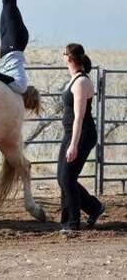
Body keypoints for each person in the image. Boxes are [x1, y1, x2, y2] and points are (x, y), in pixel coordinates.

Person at [57, 43, 105, 233]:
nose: (63, 56)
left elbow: (79, 117)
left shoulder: (82, 82)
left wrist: (74, 145)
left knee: (67, 178)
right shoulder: (74, 80)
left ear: (69, 57)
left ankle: (72, 224)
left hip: (82, 134)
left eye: (64, 53)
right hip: (71, 133)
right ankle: (94, 207)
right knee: (62, 178)